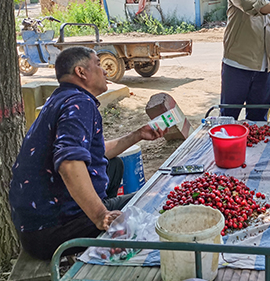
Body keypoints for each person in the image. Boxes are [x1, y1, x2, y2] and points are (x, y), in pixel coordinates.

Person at [9, 47, 165, 261]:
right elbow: (69, 164)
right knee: (157, 200)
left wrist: (137, 135)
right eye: (99, 65)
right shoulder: (79, 103)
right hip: (53, 230)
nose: (105, 71)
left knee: (115, 164)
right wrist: (101, 215)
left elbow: (95, 153)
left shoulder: (61, 99)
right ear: (81, 72)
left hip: (34, 229)